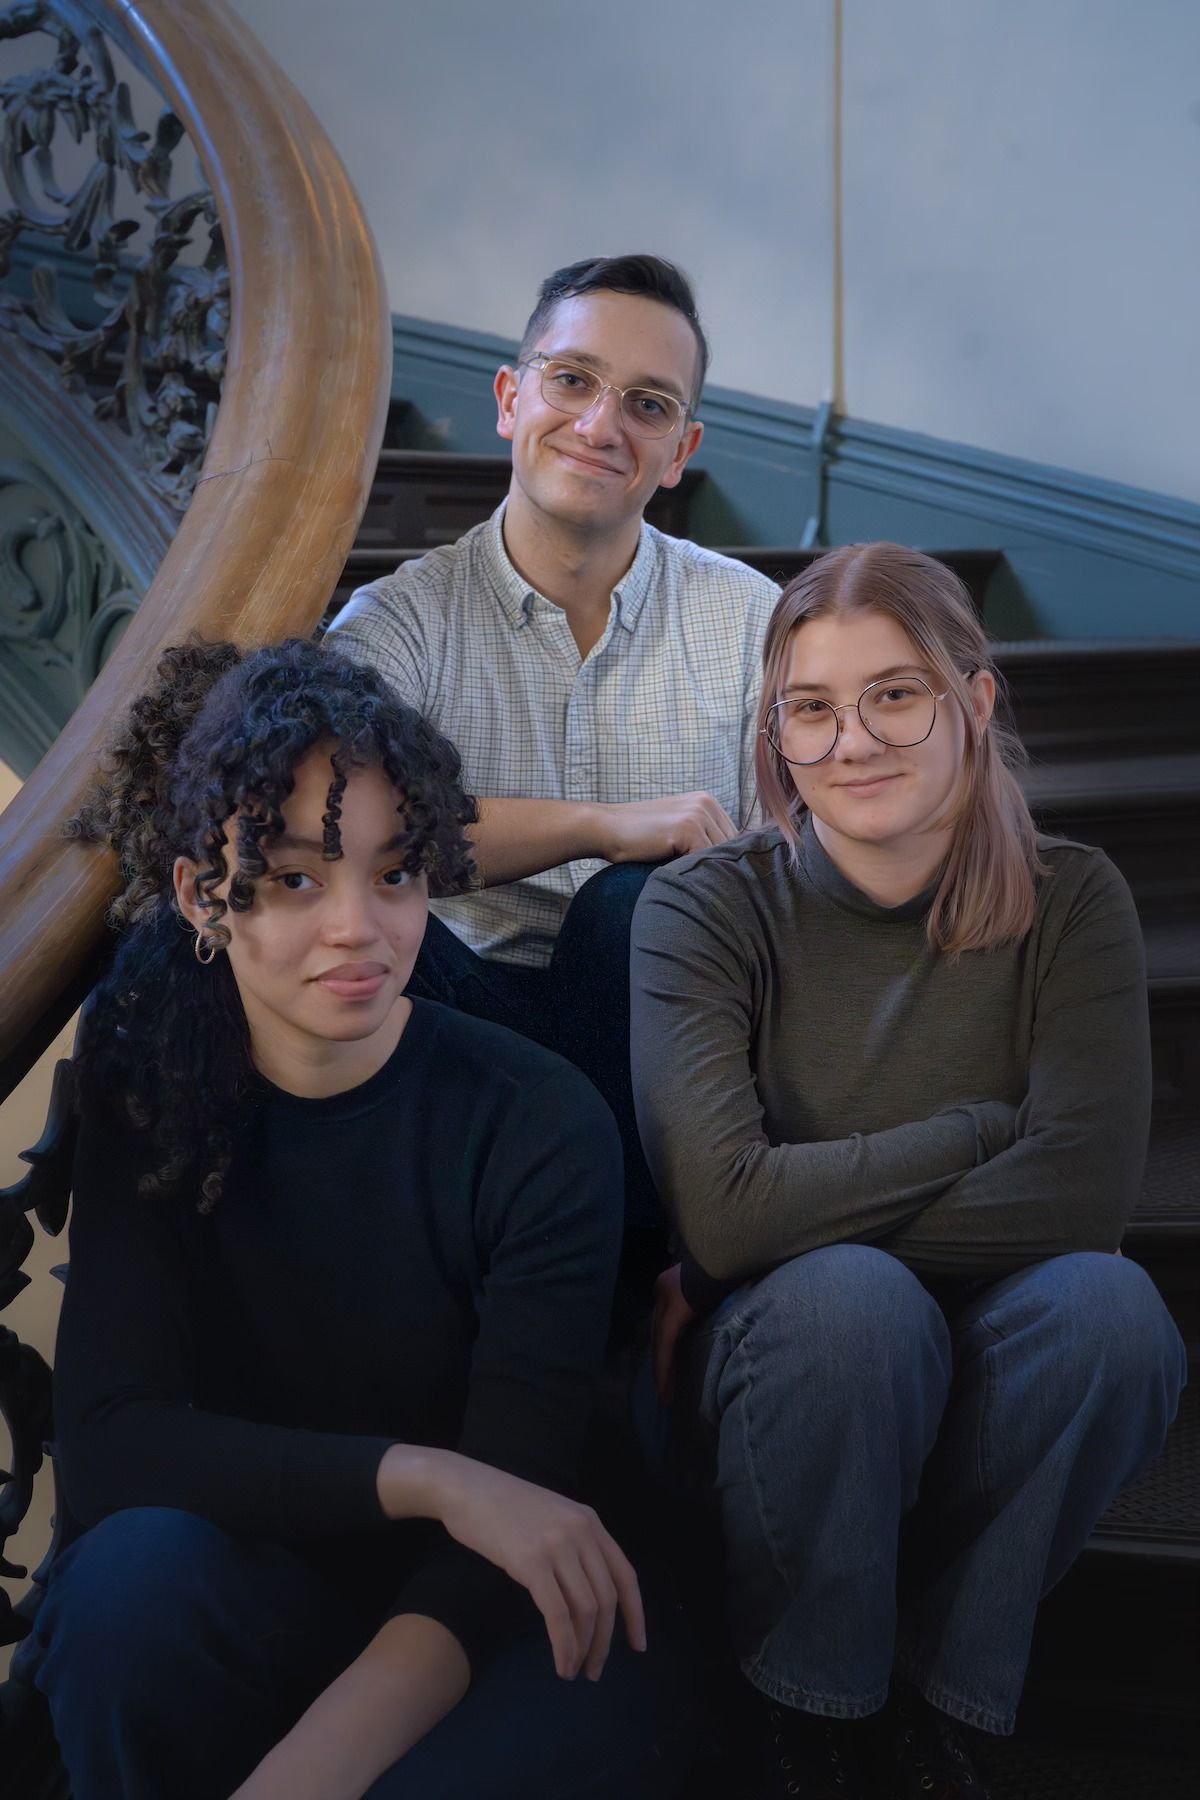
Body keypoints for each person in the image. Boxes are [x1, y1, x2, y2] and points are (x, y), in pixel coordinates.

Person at [32, 638, 699, 1800]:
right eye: (295, 878)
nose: (358, 929)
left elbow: (504, 1538)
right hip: (258, 1575)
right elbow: (112, 1440)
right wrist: (432, 1477)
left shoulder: (540, 1123)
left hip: (496, 1610)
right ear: (204, 893)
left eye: (394, 875)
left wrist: (305, 1777)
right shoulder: (147, 1067)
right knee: (125, 1589)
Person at [629, 544, 1186, 1800]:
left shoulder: (1073, 901)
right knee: (849, 1309)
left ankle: (948, 1705)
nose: (851, 743)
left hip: (1000, 1357)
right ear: (776, 734)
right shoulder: (704, 911)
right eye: (810, 710)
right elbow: (718, 1216)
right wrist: (983, 1129)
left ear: (974, 703)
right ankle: (813, 1712)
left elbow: (1086, 1201)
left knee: (1116, 1313)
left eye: (895, 694)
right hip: (797, 1366)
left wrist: (779, 1219)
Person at [331, 254, 779, 1234]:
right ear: (509, 396)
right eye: (571, 379)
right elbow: (353, 840)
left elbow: (789, 869)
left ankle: (638, 1262)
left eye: (647, 404)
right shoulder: (394, 625)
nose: (600, 425)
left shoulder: (752, 622)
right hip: (452, 1006)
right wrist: (599, 824)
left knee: (640, 906)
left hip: (663, 1023)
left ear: (680, 449)